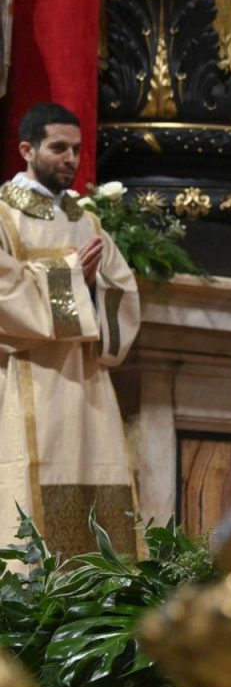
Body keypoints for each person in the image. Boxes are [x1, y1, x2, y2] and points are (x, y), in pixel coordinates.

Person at [0, 103, 140, 557]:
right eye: (59, 148)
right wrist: (69, 277)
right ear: (27, 150)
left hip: (87, 386)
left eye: (76, 150)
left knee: (95, 482)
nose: (71, 159)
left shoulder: (86, 219)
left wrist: (95, 286)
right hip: (26, 380)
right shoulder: (4, 215)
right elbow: (5, 294)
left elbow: (122, 288)